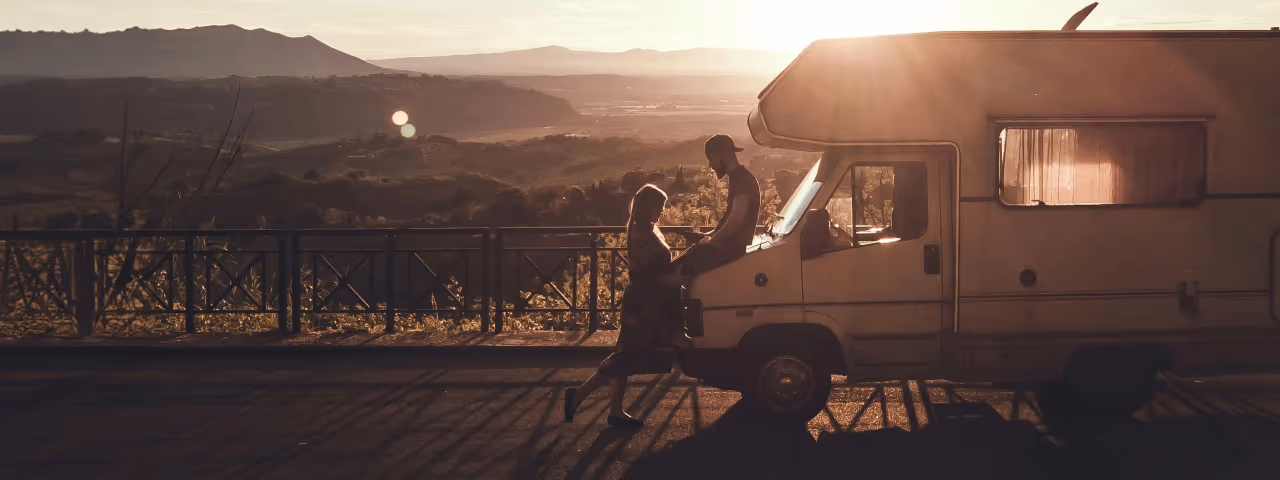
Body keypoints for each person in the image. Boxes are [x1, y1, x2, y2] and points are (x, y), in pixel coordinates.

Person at [564, 184, 689, 427]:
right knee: (627, 355)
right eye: (659, 206)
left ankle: (613, 410)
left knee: (627, 354)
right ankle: (582, 396)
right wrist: (678, 277)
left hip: (648, 300)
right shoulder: (642, 233)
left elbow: (659, 267)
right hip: (643, 303)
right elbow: (650, 273)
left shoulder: (646, 229)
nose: (662, 211)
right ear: (647, 206)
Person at [674, 134, 761, 275]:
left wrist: (713, 242)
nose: (710, 165)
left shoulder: (741, 179)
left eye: (710, 159)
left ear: (722, 155)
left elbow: (736, 218)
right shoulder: (738, 178)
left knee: (672, 273)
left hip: (727, 253)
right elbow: (731, 220)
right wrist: (706, 235)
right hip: (726, 250)